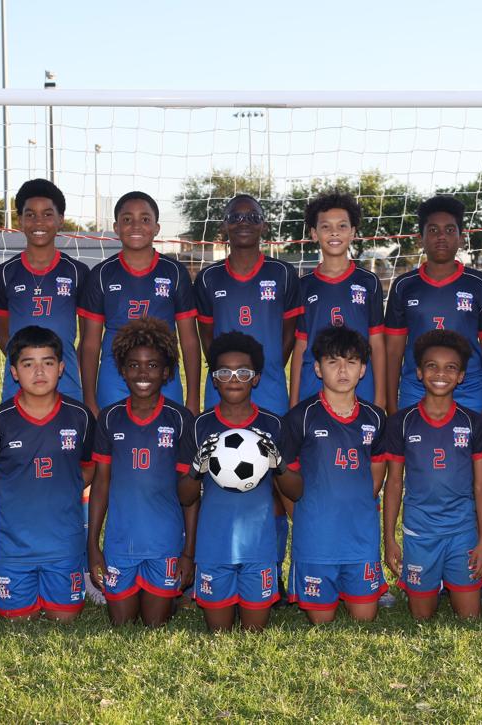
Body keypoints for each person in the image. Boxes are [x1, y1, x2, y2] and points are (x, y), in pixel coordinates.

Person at [192, 193, 302, 601]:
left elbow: (289, 333)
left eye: (252, 216)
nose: (243, 223)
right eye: (235, 217)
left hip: (267, 388)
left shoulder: (284, 274)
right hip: (223, 387)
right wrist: (231, 373)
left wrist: (263, 370)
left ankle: (272, 569)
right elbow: (207, 337)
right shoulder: (208, 279)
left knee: (272, 482)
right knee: (217, 473)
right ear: (223, 226)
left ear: (263, 226)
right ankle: (213, 564)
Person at [0, 326, 95, 621]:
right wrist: (6, 495)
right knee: (17, 619)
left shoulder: (80, 417)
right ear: (14, 372)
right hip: (14, 546)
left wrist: (67, 489)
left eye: (47, 362)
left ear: (61, 368)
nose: (39, 372)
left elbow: (89, 467)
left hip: (63, 543)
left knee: (65, 618)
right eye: (28, 364)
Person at [177, 332, 302, 632]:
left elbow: (296, 491)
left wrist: (279, 464)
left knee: (253, 634)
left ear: (255, 379)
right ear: (214, 380)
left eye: (243, 373)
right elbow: (185, 496)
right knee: (219, 635)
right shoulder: (199, 426)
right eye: (224, 373)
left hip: (258, 548)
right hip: (213, 548)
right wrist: (196, 469)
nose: (234, 379)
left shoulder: (274, 425)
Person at [87, 318, 196, 627]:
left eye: (152, 366)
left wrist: (188, 553)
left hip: (164, 543)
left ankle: (172, 596)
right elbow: (101, 485)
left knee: (154, 623)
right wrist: (92, 545)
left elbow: (190, 493)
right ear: (122, 371)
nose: (143, 373)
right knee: (122, 623)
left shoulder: (180, 419)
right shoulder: (110, 418)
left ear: (166, 372)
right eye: (134, 365)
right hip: (121, 543)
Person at [383, 330, 482, 620]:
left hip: (462, 531)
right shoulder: (402, 422)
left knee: (470, 617)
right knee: (421, 616)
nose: (440, 374)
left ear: (461, 376)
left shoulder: (474, 423)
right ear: (419, 372)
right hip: (420, 531)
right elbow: (393, 482)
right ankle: (432, 580)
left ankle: (456, 578)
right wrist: (390, 539)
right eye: (432, 366)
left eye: (450, 367)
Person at [284, 326, 388, 623]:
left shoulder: (375, 417)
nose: (343, 370)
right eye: (333, 362)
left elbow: (376, 475)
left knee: (365, 617)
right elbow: (285, 476)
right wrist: (302, 515)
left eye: (351, 362)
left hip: (360, 535)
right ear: (318, 368)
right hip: (317, 537)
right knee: (322, 620)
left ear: (363, 369)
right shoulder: (301, 416)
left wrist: (355, 507)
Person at [384, 195, 482, 430]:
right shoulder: (404, 286)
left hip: (469, 389)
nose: (441, 236)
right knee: (417, 452)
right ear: (420, 238)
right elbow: (393, 351)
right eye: (433, 230)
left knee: (472, 453)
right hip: (416, 389)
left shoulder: (478, 284)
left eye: (449, 230)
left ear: (461, 238)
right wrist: (391, 405)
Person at [78, 191, 200, 417]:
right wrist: (89, 399)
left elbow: (189, 340)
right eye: (127, 219)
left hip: (164, 374)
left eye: (145, 219)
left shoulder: (175, 272)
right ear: (116, 228)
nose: (136, 226)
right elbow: (90, 343)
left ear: (157, 228)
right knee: (114, 433)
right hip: (114, 376)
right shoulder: (102, 274)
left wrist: (193, 398)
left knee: (167, 434)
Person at [0, 178, 89, 403]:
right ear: (20, 221)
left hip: (67, 385)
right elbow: (3, 336)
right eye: (30, 215)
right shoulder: (5, 273)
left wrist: (62, 366)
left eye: (47, 214)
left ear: (60, 219)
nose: (38, 222)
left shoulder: (77, 272)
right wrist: (27, 363)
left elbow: (87, 337)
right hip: (17, 388)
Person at [290, 191, 386, 410]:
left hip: (360, 386)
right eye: (325, 226)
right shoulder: (304, 286)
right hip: (313, 386)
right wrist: (294, 400)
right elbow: (301, 345)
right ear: (314, 233)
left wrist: (380, 399)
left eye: (342, 226)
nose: (334, 232)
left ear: (352, 232)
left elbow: (377, 343)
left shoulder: (368, 282)